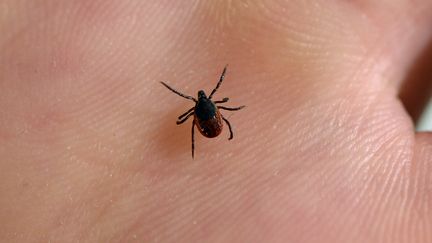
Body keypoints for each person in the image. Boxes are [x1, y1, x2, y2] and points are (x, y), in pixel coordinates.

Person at [1, 1, 431, 242]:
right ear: (212, 109)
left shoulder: (198, 114)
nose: (205, 105)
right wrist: (222, 121)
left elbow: (186, 121)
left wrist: (196, 129)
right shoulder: (212, 112)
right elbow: (213, 113)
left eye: (205, 102)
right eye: (206, 103)